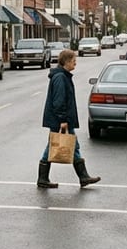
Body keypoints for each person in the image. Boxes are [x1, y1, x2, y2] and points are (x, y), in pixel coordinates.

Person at [37, 49, 100, 189]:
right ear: (66, 62)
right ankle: (44, 178)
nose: (75, 64)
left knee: (70, 145)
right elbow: (59, 101)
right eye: (73, 61)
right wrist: (63, 120)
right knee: (55, 146)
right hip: (60, 120)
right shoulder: (60, 78)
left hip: (61, 119)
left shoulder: (63, 76)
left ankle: (82, 177)